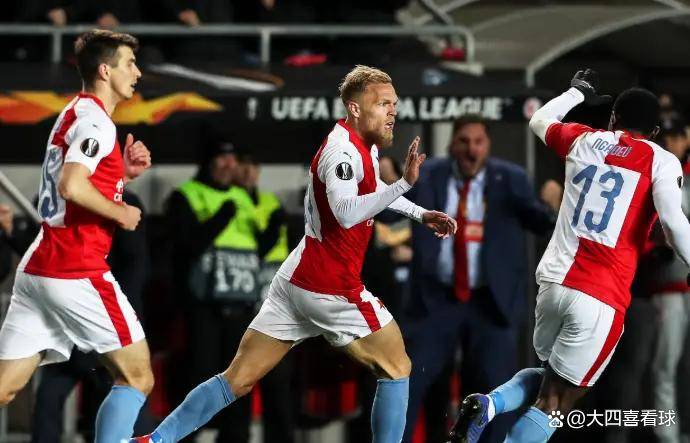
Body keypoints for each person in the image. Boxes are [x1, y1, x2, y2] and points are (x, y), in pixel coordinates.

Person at [132, 64, 457, 443]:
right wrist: (403, 184)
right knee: (397, 366)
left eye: (394, 104)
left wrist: (419, 213)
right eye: (383, 103)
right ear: (355, 108)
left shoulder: (362, 146)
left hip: (297, 278)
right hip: (330, 284)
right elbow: (346, 212)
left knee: (238, 378)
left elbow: (372, 191)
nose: (392, 112)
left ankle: (156, 440)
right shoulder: (340, 153)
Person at [448, 69, 690, 443]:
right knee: (558, 400)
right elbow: (673, 223)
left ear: (613, 118)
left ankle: (490, 404)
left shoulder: (584, 140)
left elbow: (539, 120)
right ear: (655, 132)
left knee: (549, 378)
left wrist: (575, 93)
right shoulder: (660, 160)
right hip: (601, 295)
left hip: (553, 283)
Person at [0, 29, 153, 443]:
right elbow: (71, 185)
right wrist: (121, 211)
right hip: (75, 267)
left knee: (5, 388)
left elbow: (76, 183)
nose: (137, 72)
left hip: (40, 267)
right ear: (105, 71)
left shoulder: (74, 111)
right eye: (129, 64)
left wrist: (121, 175)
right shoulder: (96, 123)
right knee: (138, 377)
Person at [402, 114, 561, 443]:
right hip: (435, 300)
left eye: (478, 142)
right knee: (411, 384)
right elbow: (394, 210)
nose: (471, 150)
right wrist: (388, 183)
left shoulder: (510, 178)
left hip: (490, 303)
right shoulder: (428, 175)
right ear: (452, 144)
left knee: (492, 392)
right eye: (464, 141)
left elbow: (539, 222)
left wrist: (551, 206)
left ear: (488, 145)